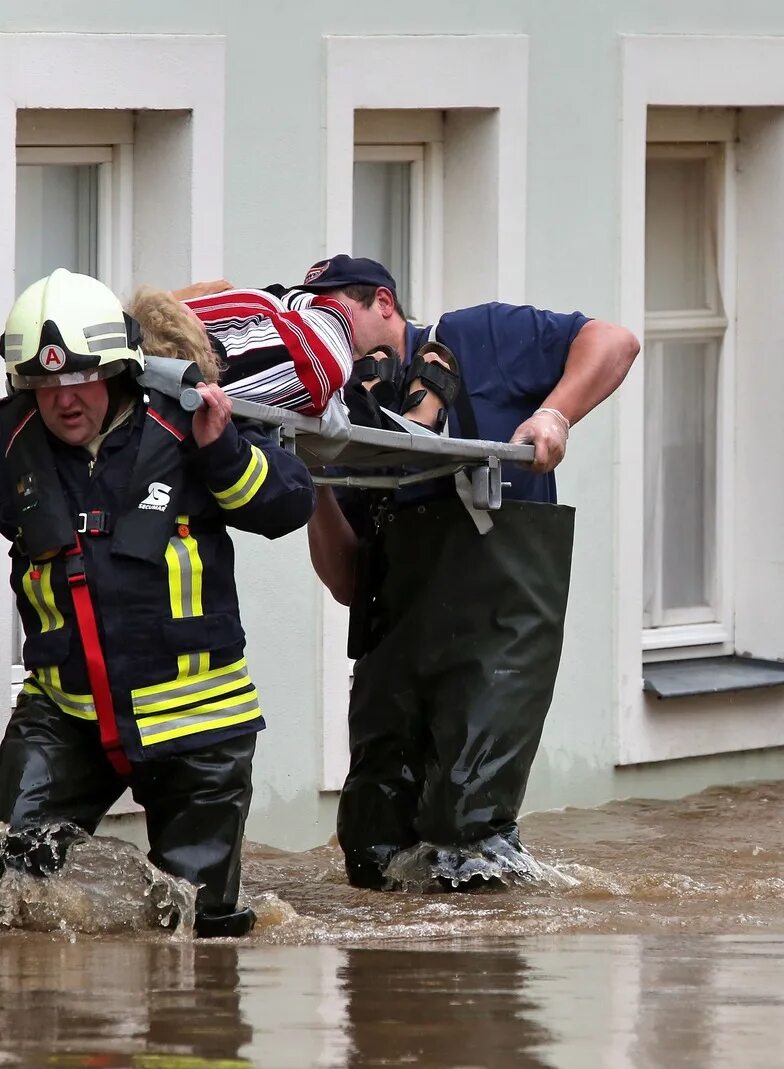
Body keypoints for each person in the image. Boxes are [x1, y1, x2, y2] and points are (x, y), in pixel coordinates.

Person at [301, 255, 639, 890]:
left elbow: (615, 341)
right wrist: (313, 485)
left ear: (383, 303)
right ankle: (383, 985)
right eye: (314, 320)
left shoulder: (477, 337)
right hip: (396, 639)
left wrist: (555, 414)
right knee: (371, 837)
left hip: (498, 632)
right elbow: (349, 583)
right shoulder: (347, 416)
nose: (328, 333)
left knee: (465, 836)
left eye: (336, 313)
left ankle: (480, 971)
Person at [0, 268, 317, 936]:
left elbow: (287, 503)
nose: (63, 401)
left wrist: (223, 451)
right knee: (9, 876)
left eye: (79, 379)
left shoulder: (184, 423)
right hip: (66, 716)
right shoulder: (12, 446)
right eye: (45, 386)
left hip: (197, 728)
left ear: (116, 370)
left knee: (198, 930)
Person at [125, 281, 354, 415]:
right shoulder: (245, 364)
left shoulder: (136, 366)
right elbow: (335, 327)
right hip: (345, 390)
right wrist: (280, 298)